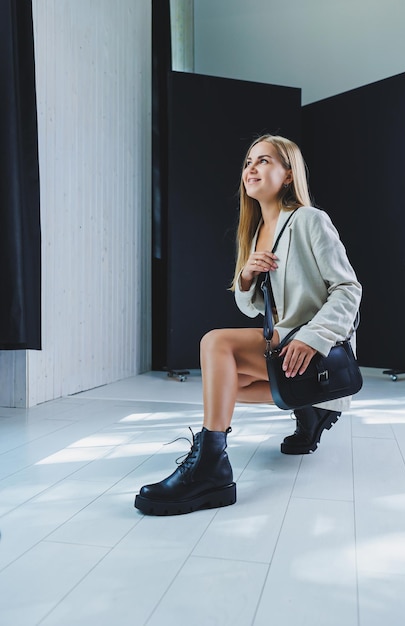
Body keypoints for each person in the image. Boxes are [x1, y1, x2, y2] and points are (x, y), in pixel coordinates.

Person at [134, 134, 362, 516]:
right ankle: (307, 410)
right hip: (285, 349)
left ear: (288, 175)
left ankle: (211, 466)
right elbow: (252, 309)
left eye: (264, 161)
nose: (251, 168)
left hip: (319, 357)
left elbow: (348, 290)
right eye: (247, 162)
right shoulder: (256, 232)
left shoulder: (309, 220)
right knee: (223, 385)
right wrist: (246, 277)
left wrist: (313, 338)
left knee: (215, 345)